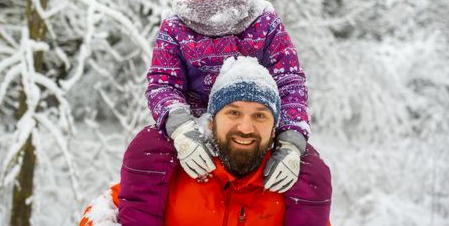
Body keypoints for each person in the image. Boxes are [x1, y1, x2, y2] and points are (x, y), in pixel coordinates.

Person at [118, 0, 332, 225]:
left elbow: (289, 80)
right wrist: (180, 129)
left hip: (253, 116)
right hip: (196, 122)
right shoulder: (176, 25)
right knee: (147, 147)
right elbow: (162, 82)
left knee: (312, 169)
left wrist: (290, 142)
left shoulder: (263, 21)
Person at [80, 57, 331, 225]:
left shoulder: (292, 190)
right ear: (211, 122)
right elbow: (101, 210)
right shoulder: (168, 173)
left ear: (275, 129)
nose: (246, 127)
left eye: (260, 116)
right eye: (233, 112)